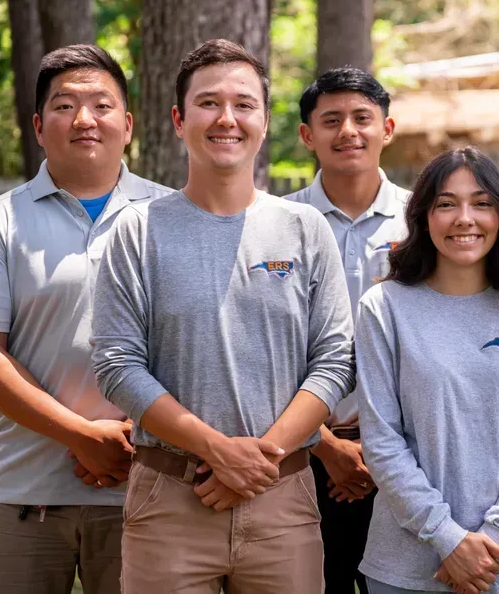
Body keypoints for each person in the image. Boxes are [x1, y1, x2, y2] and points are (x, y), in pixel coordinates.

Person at [91, 39, 355, 593]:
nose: (227, 119)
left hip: (282, 501)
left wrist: (258, 461)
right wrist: (217, 451)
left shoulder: (305, 229)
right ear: (178, 120)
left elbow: (334, 362)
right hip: (170, 501)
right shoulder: (137, 231)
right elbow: (117, 365)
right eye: (209, 103)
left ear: (265, 120)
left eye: (244, 104)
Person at [0, 44, 173, 594]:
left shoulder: (173, 217)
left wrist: (131, 436)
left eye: (101, 105)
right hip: (23, 489)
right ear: (38, 126)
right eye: (64, 106)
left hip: (149, 486)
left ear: (128, 125)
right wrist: (81, 435)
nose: (84, 119)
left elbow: (200, 342)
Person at [357, 147, 499, 594]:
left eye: (481, 203)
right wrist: (447, 538)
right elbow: (381, 441)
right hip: (406, 570)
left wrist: (492, 538)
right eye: (446, 204)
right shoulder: (384, 307)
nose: (464, 219)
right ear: (423, 217)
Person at [286, 66, 410, 594]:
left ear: (388, 128)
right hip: (298, 456)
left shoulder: (426, 220)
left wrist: (387, 447)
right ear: (307, 134)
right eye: (331, 120)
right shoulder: (277, 222)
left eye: (362, 117)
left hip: (408, 458)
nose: (348, 131)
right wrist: (323, 445)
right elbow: (262, 348)